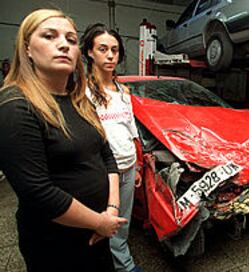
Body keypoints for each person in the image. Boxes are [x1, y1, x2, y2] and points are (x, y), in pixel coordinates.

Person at [0, 9, 128, 272]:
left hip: (99, 230)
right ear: (27, 49)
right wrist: (99, 222)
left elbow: (106, 155)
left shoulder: (79, 101)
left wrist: (112, 210)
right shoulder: (16, 105)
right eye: (49, 36)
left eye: (71, 40)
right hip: (56, 241)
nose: (63, 45)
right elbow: (38, 192)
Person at [80, 23, 143, 272]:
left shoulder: (123, 91)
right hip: (102, 172)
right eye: (103, 49)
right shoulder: (81, 92)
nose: (110, 55)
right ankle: (122, 266)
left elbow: (131, 131)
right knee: (98, 222)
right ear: (89, 52)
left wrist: (137, 166)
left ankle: (120, 263)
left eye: (114, 50)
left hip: (128, 167)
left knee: (120, 224)